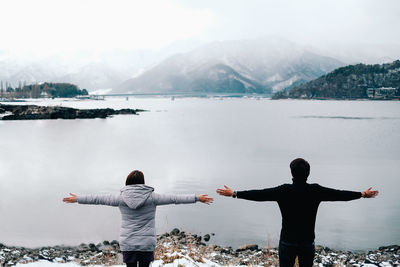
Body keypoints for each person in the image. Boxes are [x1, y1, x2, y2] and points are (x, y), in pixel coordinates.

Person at [216, 158, 378, 267]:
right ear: (308, 173)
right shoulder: (315, 190)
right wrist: (362, 194)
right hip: (307, 242)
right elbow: (340, 194)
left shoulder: (283, 191)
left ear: (291, 173)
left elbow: (260, 194)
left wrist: (235, 193)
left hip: (287, 242)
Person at [63, 170, 213, 267]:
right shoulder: (153, 197)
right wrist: (197, 198)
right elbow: (175, 198)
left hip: (128, 242)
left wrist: (78, 198)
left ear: (127, 182)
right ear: (143, 182)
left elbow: (98, 199)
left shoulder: (120, 198)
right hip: (146, 243)